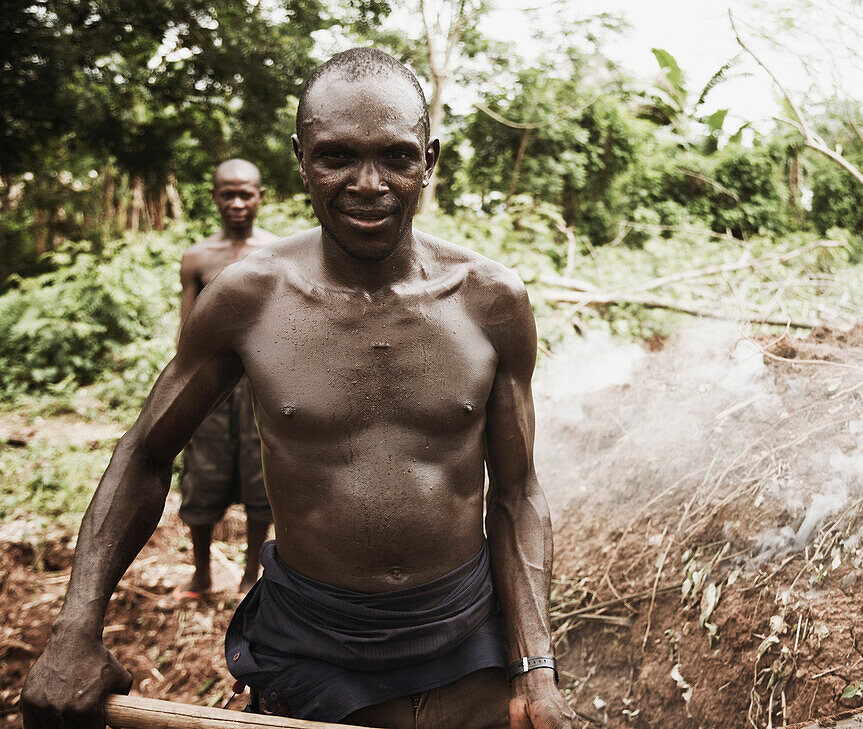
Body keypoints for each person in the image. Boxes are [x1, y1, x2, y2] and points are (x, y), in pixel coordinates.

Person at [20, 47, 577, 729]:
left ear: (429, 160)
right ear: (301, 156)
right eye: (337, 155)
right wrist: (76, 631)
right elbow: (142, 453)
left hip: (467, 644)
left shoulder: (490, 301)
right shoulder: (248, 299)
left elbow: (517, 491)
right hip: (314, 651)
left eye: (396, 157)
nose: (367, 183)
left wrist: (535, 666)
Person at [176, 159, 277, 598]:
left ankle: (251, 575)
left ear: (260, 196)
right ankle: (201, 573)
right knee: (202, 478)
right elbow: (188, 332)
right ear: (215, 197)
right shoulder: (198, 258)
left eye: (246, 194)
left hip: (263, 381)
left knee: (263, 477)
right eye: (228, 194)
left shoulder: (279, 252)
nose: (237, 203)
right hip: (211, 386)